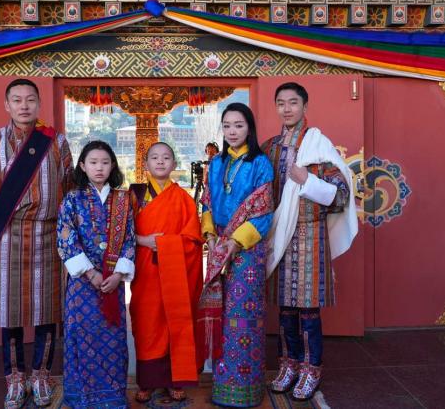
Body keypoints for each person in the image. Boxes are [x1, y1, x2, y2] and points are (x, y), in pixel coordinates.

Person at [0, 78, 73, 409]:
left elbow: (70, 190)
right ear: (7, 105)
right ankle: (14, 379)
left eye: (30, 99)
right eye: (17, 100)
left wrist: (71, 236)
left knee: (48, 310)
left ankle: (41, 375)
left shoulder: (55, 142)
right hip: (8, 236)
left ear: (39, 103)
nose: (24, 105)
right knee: (10, 312)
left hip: (49, 235)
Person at [262, 82, 357, 401]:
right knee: (285, 309)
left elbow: (342, 196)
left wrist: (308, 181)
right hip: (279, 235)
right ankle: (287, 366)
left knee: (308, 310)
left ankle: (311, 369)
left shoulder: (319, 146)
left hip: (310, 236)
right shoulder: (270, 148)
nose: (286, 109)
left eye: (293, 102)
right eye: (280, 103)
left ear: (305, 106)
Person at [198, 103, 274, 408]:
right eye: (227, 125)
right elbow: (206, 203)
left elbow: (264, 211)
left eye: (238, 125)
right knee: (220, 314)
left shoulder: (260, 163)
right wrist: (212, 236)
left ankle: (245, 389)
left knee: (243, 317)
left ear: (249, 128)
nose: (232, 131)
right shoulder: (215, 163)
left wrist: (235, 242)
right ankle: (222, 386)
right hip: (219, 247)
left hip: (247, 252)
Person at [57, 140, 135, 409]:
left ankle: (112, 396)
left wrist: (117, 275)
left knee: (112, 339)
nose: (99, 168)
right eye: (93, 162)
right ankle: (83, 396)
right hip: (82, 283)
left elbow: (129, 240)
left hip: (113, 282)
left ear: (112, 165)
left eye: (104, 162)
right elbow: (66, 238)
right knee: (82, 334)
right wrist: (90, 273)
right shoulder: (72, 199)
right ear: (82, 166)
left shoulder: (123, 199)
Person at [129, 142, 204, 404]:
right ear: (145, 164)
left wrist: (163, 243)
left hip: (176, 274)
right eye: (154, 158)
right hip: (146, 271)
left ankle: (175, 380)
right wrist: (143, 240)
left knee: (176, 321)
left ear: (174, 164)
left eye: (166, 158)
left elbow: (194, 239)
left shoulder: (183, 198)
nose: (160, 162)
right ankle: (148, 382)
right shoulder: (134, 196)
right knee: (147, 323)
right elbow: (123, 234)